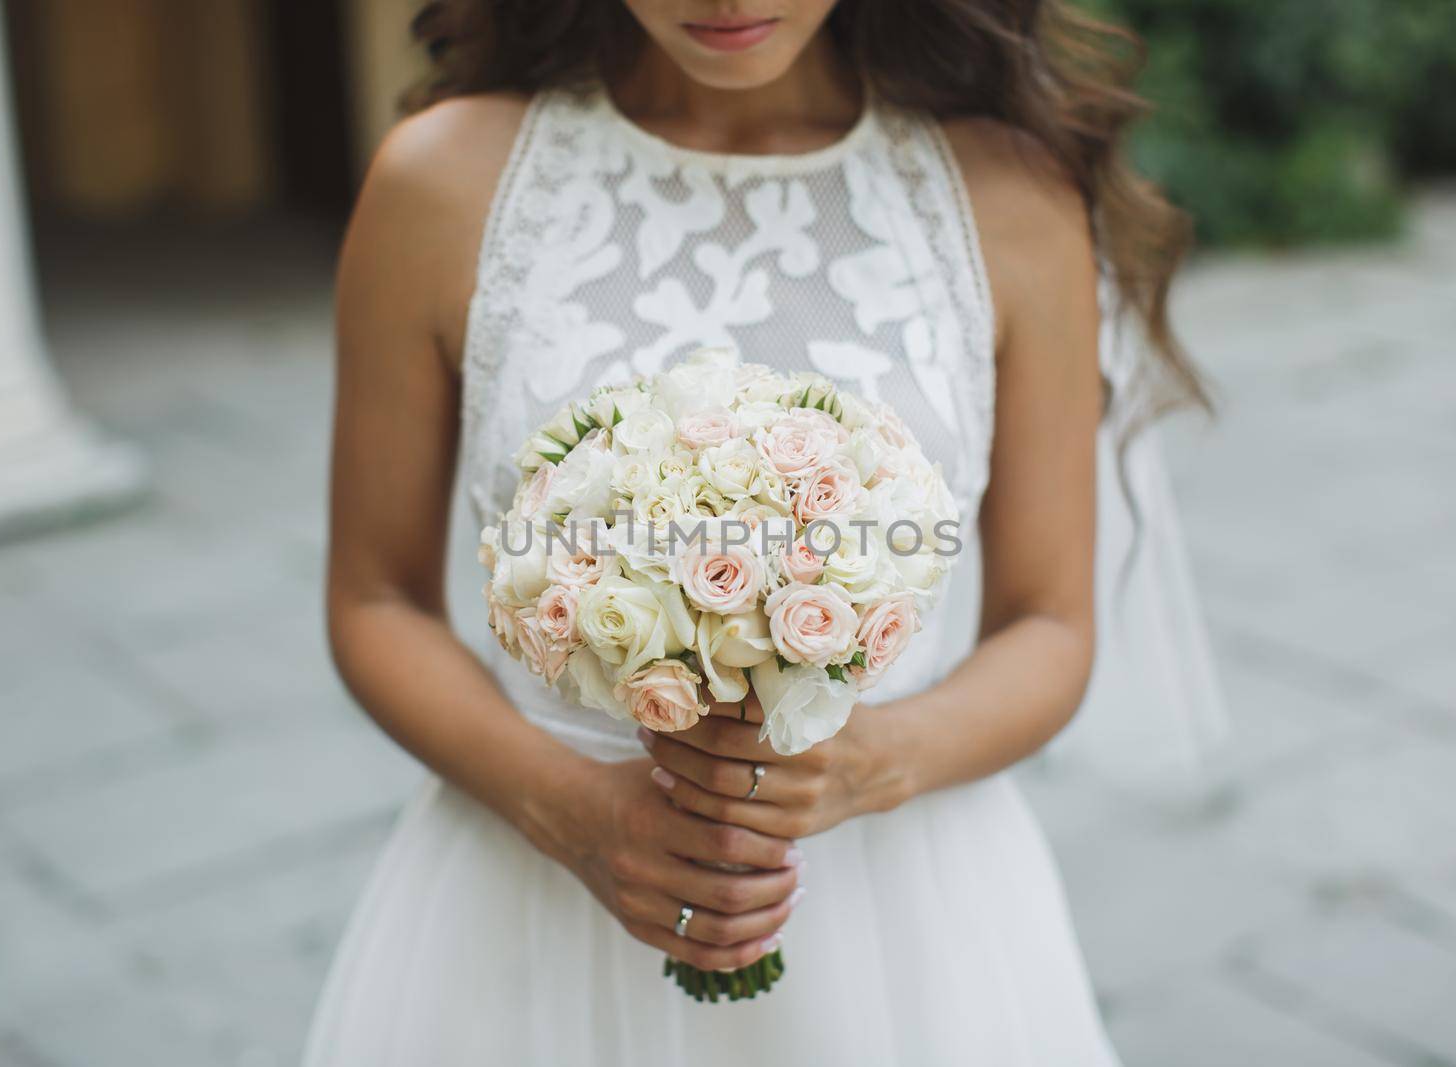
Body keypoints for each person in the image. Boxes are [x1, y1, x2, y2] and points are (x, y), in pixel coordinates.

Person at [308, 1, 1211, 1062]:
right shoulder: (441, 183)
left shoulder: (1005, 197)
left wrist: (865, 760)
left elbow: (1050, 625)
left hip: (899, 914)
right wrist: (573, 812)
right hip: (529, 897)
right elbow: (374, 600)